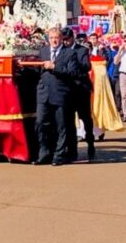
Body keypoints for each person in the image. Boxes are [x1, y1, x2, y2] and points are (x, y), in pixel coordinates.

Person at [33, 27, 78, 166]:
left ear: (61, 39)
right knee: (41, 123)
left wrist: (54, 67)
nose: (54, 40)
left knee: (61, 126)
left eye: (56, 37)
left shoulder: (69, 53)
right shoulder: (43, 51)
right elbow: (36, 70)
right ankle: (44, 153)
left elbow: (73, 73)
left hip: (60, 94)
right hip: (43, 94)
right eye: (51, 37)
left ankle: (58, 155)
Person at [62, 27, 95, 161]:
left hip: (81, 89)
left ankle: (90, 143)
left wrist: (73, 61)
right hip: (67, 90)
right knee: (68, 121)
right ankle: (72, 150)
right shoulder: (62, 50)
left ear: (72, 38)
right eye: (63, 40)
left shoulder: (82, 50)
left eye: (67, 40)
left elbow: (87, 67)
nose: (65, 42)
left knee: (85, 118)